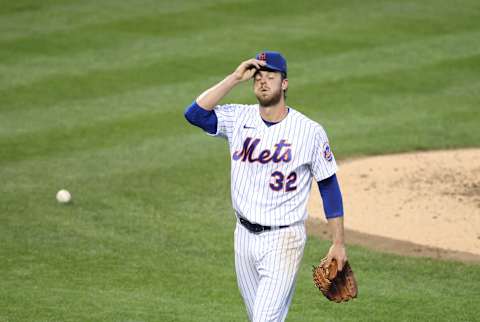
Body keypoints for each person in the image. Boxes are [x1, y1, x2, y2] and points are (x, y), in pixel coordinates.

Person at [184, 51, 347, 322]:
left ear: (284, 83)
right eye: (258, 77)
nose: (263, 82)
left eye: (271, 76)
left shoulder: (309, 131)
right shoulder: (238, 118)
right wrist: (235, 77)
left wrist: (338, 243)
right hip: (243, 237)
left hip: (284, 239)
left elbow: (329, 186)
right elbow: (194, 114)